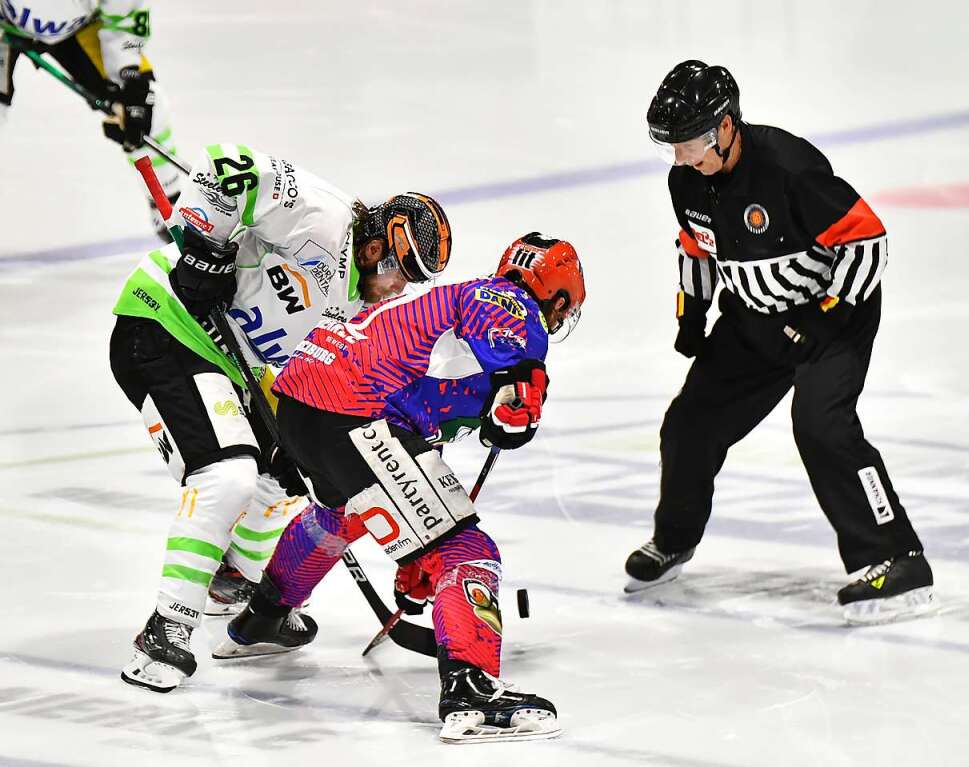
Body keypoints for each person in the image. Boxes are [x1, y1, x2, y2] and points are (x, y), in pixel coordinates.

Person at [215, 232, 586, 744]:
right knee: (466, 550)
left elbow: (426, 417)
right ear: (558, 297)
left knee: (340, 515)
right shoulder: (507, 300)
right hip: (354, 412)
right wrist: (523, 388)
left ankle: (262, 620)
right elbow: (510, 359)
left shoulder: (438, 310)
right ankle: (471, 689)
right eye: (564, 311)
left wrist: (417, 554)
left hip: (302, 404)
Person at [109, 140, 452, 691]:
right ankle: (166, 628)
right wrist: (205, 247)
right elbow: (228, 165)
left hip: (229, 362)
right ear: (375, 246)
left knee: (282, 488)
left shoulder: (368, 310)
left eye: (413, 278)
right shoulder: (323, 216)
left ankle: (229, 580)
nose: (399, 286)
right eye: (399, 269)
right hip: (165, 324)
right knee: (228, 475)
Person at [624, 60, 933, 624]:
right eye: (670, 146)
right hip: (753, 319)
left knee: (822, 426)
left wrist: (823, 315)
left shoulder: (790, 169)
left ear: (725, 127)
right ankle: (674, 539)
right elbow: (696, 246)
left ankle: (896, 558)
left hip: (834, 314)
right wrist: (691, 313)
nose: (679, 157)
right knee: (690, 423)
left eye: (689, 142)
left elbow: (869, 242)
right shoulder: (686, 180)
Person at [1, 1, 184, 240]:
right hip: (5, 24)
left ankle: (167, 202)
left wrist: (129, 78)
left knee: (144, 106)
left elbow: (125, 19)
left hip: (78, 29)